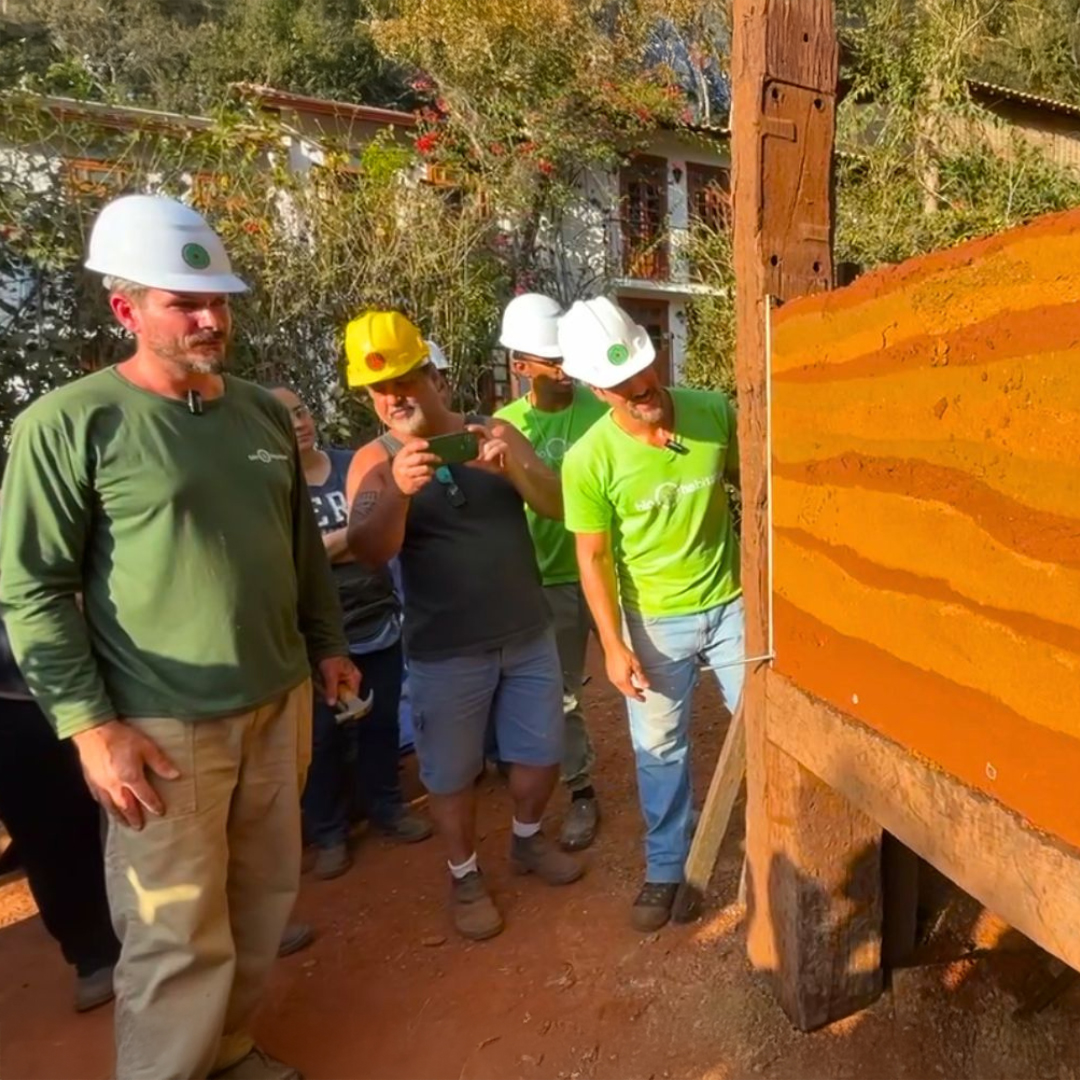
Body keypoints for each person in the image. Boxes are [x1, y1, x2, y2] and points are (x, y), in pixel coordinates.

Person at [0, 194, 357, 1080]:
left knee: (260, 901)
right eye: (184, 303)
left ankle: (228, 1052)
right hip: (161, 728)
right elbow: (32, 589)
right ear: (126, 308)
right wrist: (90, 727)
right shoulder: (70, 423)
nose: (210, 319)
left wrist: (329, 645)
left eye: (219, 302)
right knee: (172, 933)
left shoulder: (262, 415)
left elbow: (299, 548)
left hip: (278, 706)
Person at [343, 310, 584, 942]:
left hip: (526, 635)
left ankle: (527, 841)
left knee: (540, 759)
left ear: (434, 378)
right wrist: (395, 490)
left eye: (405, 380)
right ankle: (464, 873)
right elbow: (369, 549)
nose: (394, 398)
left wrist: (515, 470)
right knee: (450, 777)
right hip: (445, 652)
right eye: (379, 390)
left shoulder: (496, 430)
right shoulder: (373, 460)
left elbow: (559, 505)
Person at [558, 297, 744, 933]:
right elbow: (592, 556)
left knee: (767, 720)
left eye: (644, 372)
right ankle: (667, 866)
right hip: (654, 621)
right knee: (660, 746)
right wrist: (612, 644)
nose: (642, 390)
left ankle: (780, 841)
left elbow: (766, 480)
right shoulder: (589, 460)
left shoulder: (714, 411)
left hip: (732, 606)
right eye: (622, 385)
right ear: (592, 387)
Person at [269, 385, 432, 880]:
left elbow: (379, 536)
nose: (298, 423)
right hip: (314, 636)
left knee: (382, 721)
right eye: (284, 417)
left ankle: (387, 807)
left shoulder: (352, 465)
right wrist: (352, 538)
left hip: (376, 619)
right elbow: (291, 558)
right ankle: (329, 832)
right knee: (320, 739)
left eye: (300, 411)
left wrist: (334, 544)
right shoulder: (273, 483)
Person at [493, 294, 609, 851]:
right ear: (522, 366)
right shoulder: (503, 428)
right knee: (563, 694)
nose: (565, 370)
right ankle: (581, 789)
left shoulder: (602, 407)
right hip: (551, 580)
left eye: (567, 358)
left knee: (649, 675)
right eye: (552, 361)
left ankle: (668, 774)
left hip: (615, 568)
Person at [0, 614, 120, 1012]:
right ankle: (95, 954)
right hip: (12, 698)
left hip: (104, 663)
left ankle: (226, 924)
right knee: (46, 833)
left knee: (159, 798)